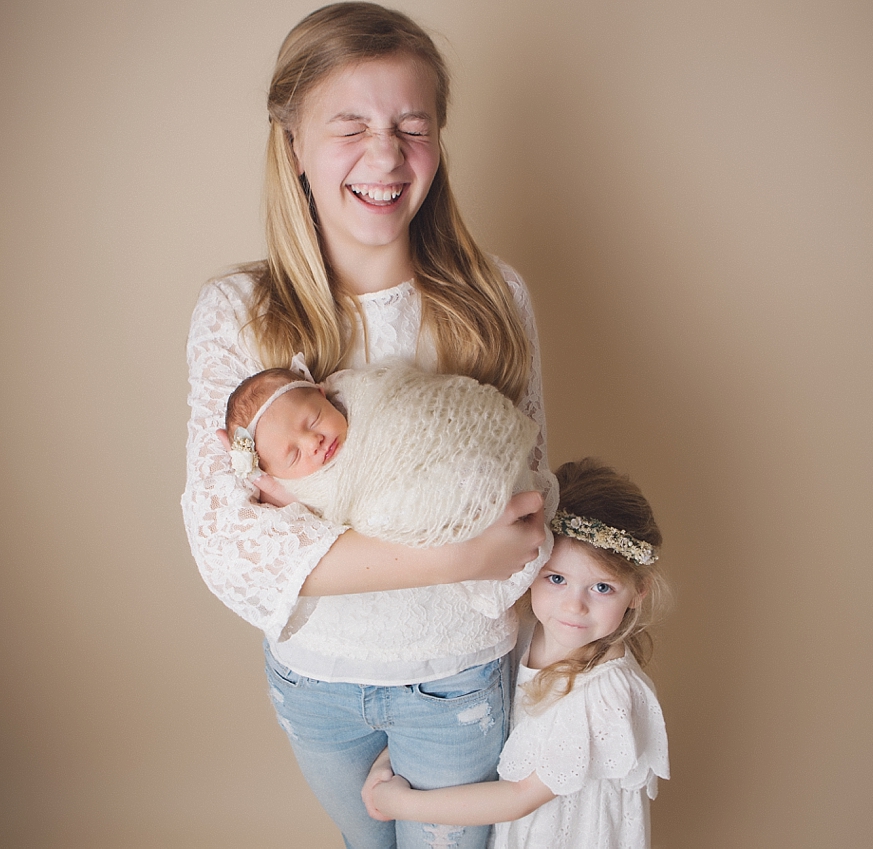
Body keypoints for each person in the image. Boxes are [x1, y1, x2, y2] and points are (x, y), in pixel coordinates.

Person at [180, 4, 555, 847]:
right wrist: (455, 555)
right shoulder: (236, 316)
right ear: (293, 146)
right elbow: (227, 543)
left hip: (456, 681)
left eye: (412, 127)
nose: (385, 155)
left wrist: (493, 557)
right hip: (314, 686)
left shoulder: (493, 302)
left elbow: (529, 505)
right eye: (350, 126)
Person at [363, 459, 670, 849]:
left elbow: (520, 796)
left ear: (638, 591)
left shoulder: (606, 694)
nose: (574, 606)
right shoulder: (520, 631)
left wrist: (402, 804)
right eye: (557, 579)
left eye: (602, 588)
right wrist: (391, 758)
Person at [222, 361, 543, 626]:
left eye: (314, 420)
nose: (312, 442)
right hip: (443, 532)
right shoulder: (303, 492)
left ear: (322, 393)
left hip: (470, 463)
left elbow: (422, 408)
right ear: (277, 475)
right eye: (293, 455)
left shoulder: (364, 395)